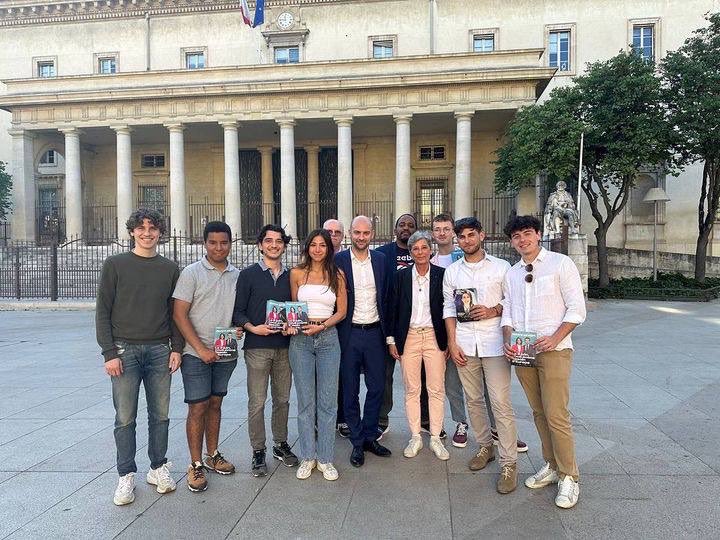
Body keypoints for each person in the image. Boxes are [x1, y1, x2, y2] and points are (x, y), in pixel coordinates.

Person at [96, 208, 182, 506]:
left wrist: (177, 348)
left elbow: (176, 314)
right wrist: (109, 353)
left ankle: (158, 467)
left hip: (160, 349)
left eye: (153, 228)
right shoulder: (115, 264)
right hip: (124, 350)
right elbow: (103, 311)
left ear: (160, 232)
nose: (147, 233)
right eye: (142, 228)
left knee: (161, 415)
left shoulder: (170, 268)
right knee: (125, 417)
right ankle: (126, 474)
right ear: (132, 231)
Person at [501, 215, 586, 509]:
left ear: (538, 234)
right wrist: (509, 341)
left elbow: (577, 309)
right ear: (512, 242)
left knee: (557, 414)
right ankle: (551, 465)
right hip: (524, 352)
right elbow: (508, 313)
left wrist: (554, 337)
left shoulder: (561, 264)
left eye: (527, 233)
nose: (522, 240)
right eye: (516, 236)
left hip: (554, 349)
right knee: (538, 412)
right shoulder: (512, 273)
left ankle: (569, 476)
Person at [443, 217, 519, 494]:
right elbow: (448, 309)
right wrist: (452, 343)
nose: (466, 241)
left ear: (482, 236)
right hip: (465, 343)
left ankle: (509, 462)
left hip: (495, 343)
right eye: (461, 237)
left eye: (471, 235)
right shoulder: (452, 272)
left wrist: (492, 310)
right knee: (473, 400)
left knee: (500, 401)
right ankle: (485, 446)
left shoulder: (502, 267)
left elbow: (511, 301)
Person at [172, 221, 241, 492]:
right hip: (195, 352)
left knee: (215, 403)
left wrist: (239, 328)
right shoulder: (191, 273)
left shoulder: (238, 275)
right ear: (205, 244)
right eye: (213, 242)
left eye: (223, 242)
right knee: (197, 406)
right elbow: (179, 314)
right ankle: (196, 463)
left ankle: (213, 455)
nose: (218, 247)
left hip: (225, 351)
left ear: (230, 244)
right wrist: (200, 349)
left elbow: (240, 311)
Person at [233, 224, 299, 476]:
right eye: (268, 240)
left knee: (282, 399)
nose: (274, 245)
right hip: (257, 347)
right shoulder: (248, 275)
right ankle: (258, 449)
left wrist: (291, 324)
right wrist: (253, 327)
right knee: (257, 402)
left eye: (279, 241)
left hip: (284, 348)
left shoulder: (290, 276)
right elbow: (238, 311)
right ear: (260, 245)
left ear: (284, 245)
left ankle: (280, 444)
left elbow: (295, 309)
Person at [288, 229, 348, 480]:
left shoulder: (338, 274)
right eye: (313, 244)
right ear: (307, 247)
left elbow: (342, 311)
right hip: (301, 339)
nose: (317, 249)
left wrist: (322, 326)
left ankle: (325, 458)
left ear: (329, 248)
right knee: (305, 401)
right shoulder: (296, 273)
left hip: (327, 337)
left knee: (327, 401)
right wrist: (293, 324)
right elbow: (293, 307)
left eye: (322, 245)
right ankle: (308, 456)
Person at [335, 215, 393, 467]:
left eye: (365, 233)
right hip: (348, 334)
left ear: (372, 234)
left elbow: (388, 299)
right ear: (350, 233)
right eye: (357, 233)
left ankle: (370, 435)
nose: (361, 237)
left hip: (375, 334)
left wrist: (390, 336)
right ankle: (357, 441)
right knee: (350, 390)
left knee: (377, 387)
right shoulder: (337, 260)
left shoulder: (381, 260)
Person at [387, 230, 450, 461]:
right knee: (412, 389)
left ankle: (434, 437)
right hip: (410, 337)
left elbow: (450, 309)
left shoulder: (443, 275)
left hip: (435, 337)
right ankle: (415, 436)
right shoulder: (401, 277)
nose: (420, 252)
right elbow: (392, 309)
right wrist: (391, 340)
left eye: (424, 247)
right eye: (415, 248)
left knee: (436, 389)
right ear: (410, 252)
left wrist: (450, 341)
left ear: (431, 250)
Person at [377, 213, 439, 437]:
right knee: (384, 376)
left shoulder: (425, 255)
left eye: (410, 225)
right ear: (395, 230)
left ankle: (425, 418)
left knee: (423, 377)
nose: (406, 228)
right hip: (390, 325)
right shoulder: (382, 254)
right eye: (401, 225)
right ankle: (382, 419)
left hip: (419, 328)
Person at [430, 213, 469, 448]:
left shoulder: (463, 258)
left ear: (453, 231)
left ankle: (495, 426)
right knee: (451, 382)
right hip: (444, 331)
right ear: (433, 233)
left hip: (471, 329)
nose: (442, 232)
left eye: (446, 228)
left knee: (483, 384)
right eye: (437, 229)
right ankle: (460, 422)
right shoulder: (430, 261)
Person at [323, 218, 350, 436]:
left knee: (343, 373)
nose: (333, 235)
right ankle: (320, 418)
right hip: (319, 326)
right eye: (328, 232)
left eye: (337, 232)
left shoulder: (346, 261)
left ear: (342, 236)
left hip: (343, 324)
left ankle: (342, 417)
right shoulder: (312, 261)